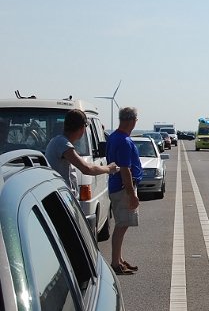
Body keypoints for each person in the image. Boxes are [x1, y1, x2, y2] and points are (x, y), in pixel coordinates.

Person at [45, 109, 119, 197]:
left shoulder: (58, 141)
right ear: (82, 128)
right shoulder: (62, 144)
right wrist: (109, 169)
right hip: (62, 197)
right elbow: (87, 169)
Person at [106, 107, 142, 275]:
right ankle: (115, 263)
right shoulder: (124, 141)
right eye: (135, 120)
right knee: (122, 225)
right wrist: (131, 194)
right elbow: (125, 169)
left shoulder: (113, 137)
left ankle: (119, 260)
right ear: (131, 120)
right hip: (122, 188)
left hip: (116, 186)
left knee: (122, 224)